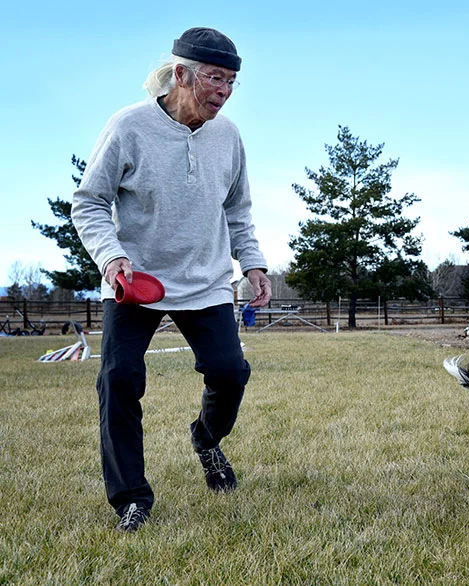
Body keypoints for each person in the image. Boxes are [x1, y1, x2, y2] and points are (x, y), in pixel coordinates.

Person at [72, 27, 272, 532]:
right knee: (118, 379)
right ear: (180, 74)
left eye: (231, 82)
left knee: (230, 372)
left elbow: (238, 209)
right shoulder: (128, 127)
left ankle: (206, 438)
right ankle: (131, 498)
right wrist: (111, 257)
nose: (223, 91)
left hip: (205, 281)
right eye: (214, 78)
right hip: (133, 280)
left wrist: (252, 263)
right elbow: (89, 202)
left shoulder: (228, 136)